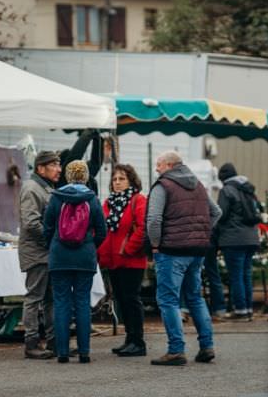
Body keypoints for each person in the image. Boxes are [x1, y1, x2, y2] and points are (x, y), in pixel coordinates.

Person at [145, 151, 221, 366]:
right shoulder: (197, 185)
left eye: (159, 164)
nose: (156, 169)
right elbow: (216, 212)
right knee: (194, 297)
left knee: (168, 300)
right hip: (196, 252)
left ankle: (176, 350)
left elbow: (153, 219)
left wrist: (155, 244)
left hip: (171, 251)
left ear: (169, 165)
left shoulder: (163, 186)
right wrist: (201, 234)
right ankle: (207, 346)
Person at [43, 160, 107, 363]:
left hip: (59, 256)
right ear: (86, 176)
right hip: (84, 257)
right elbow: (102, 231)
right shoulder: (92, 199)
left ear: (67, 176)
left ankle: (62, 352)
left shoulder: (56, 198)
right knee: (82, 303)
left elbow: (47, 228)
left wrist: (53, 246)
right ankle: (84, 352)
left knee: (61, 303)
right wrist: (90, 245)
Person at [97, 164, 148, 357]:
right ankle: (129, 338)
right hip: (113, 260)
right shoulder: (108, 202)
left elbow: (143, 228)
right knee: (121, 300)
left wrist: (128, 249)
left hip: (131, 259)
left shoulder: (138, 200)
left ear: (131, 181)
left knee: (131, 299)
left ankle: (138, 341)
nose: (117, 182)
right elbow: (103, 229)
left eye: (122, 179)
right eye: (115, 179)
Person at [18, 151, 61, 359]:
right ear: (41, 168)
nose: (59, 169)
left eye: (59, 165)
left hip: (46, 252)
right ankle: (31, 342)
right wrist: (50, 241)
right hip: (37, 253)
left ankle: (54, 342)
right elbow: (31, 223)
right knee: (34, 297)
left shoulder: (45, 187)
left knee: (50, 299)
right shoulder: (32, 188)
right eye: (54, 165)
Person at [214, 163, 260, 321]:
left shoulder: (227, 190)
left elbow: (221, 214)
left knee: (236, 276)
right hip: (252, 238)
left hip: (234, 239)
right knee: (246, 274)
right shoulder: (248, 189)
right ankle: (248, 309)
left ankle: (240, 310)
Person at [58, 129, 103, 194]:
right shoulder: (63, 178)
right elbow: (75, 155)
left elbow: (95, 162)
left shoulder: (84, 172)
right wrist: (89, 134)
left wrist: (97, 139)